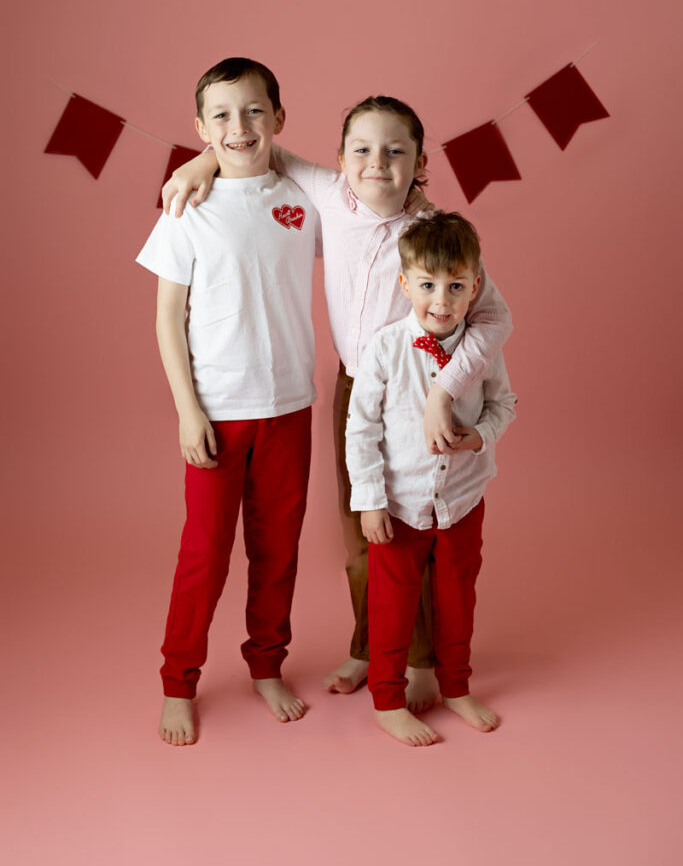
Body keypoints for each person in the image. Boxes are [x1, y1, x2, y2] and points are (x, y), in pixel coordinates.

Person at [163, 95, 512, 710]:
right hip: (358, 388)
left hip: (425, 385)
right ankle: (369, 646)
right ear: (340, 160)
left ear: (421, 161)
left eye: (395, 151)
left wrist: (444, 389)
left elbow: (493, 317)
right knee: (364, 533)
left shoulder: (429, 230)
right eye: (362, 150)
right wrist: (199, 165)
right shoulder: (326, 194)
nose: (376, 163)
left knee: (427, 526)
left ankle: (426, 660)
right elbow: (255, 148)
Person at [136, 57, 319, 746]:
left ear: (277, 117)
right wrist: (188, 410)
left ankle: (266, 665)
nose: (238, 127)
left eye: (252, 112)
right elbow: (166, 318)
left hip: (290, 408)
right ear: (199, 128)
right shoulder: (185, 208)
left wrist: (208, 159)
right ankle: (178, 680)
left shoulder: (304, 200)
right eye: (220, 116)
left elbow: (357, 200)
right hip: (216, 411)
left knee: (278, 551)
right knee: (205, 554)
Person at [346, 212, 516, 746]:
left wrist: (480, 435)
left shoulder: (483, 348)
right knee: (391, 606)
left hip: (463, 499)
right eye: (426, 285)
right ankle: (387, 700)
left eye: (455, 287)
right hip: (399, 504)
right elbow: (361, 428)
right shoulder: (384, 347)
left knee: (457, 599)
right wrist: (369, 501)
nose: (440, 301)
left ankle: (456, 686)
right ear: (405, 284)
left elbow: (504, 404)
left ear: (475, 288)